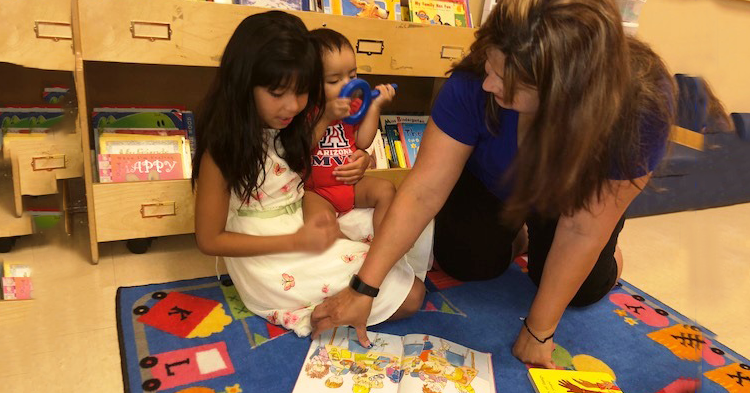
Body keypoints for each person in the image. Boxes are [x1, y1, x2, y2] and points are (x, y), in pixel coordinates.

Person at [310, 0, 675, 368]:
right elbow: (422, 193)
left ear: (561, 91)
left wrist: (538, 330)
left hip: (568, 203)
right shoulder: (473, 84)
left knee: (583, 289)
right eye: (490, 65)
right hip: (490, 183)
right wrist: (364, 288)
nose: (488, 82)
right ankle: (521, 237)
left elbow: (582, 229)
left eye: (504, 78)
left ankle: (598, 255)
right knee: (466, 262)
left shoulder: (640, 111)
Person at [192, 11, 430, 337]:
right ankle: (320, 310)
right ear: (243, 84)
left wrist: (362, 159)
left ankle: (333, 302)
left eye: (301, 92)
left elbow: (320, 166)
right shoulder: (222, 151)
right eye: (277, 93)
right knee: (411, 295)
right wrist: (295, 240)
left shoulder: (292, 126)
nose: (291, 106)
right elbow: (209, 239)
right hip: (268, 260)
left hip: (302, 231)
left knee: (403, 261)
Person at [304, 28, 398, 236]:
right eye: (334, 80)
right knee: (320, 222)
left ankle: (383, 244)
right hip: (317, 192)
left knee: (386, 190)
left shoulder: (354, 105)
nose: (347, 84)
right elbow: (303, 144)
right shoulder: (306, 109)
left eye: (352, 75)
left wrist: (374, 107)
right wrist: (327, 116)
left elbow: (363, 142)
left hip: (352, 185)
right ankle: (349, 251)